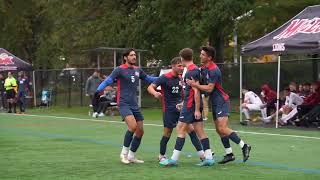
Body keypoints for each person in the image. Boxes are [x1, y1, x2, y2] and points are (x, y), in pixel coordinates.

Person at [186, 46, 251, 164]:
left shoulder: (214, 70)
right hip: (215, 103)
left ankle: (244, 146)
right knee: (219, 129)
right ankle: (229, 154)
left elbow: (210, 88)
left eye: (203, 55)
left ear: (209, 57)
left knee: (222, 128)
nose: (200, 56)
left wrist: (194, 85)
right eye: (200, 54)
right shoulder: (203, 68)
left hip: (222, 101)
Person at [96, 48, 157, 164]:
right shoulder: (119, 70)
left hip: (134, 104)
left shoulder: (137, 70)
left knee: (140, 131)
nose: (134, 57)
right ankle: (123, 154)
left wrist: (165, 78)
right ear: (125, 57)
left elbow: (149, 79)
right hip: (123, 103)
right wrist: (98, 90)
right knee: (133, 127)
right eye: (131, 55)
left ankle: (131, 156)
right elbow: (108, 81)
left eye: (135, 55)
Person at [159, 48, 214, 167]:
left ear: (183, 59)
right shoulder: (195, 70)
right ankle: (209, 158)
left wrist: (195, 109)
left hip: (190, 106)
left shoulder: (191, 72)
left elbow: (196, 91)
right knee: (200, 132)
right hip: (190, 105)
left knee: (180, 129)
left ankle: (173, 159)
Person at [147, 57, 204, 162]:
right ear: (172, 66)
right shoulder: (164, 77)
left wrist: (183, 102)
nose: (181, 68)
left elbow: (183, 93)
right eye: (179, 66)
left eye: (182, 65)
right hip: (168, 110)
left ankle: (202, 155)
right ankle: (161, 155)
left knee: (191, 130)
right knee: (167, 132)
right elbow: (150, 87)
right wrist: (155, 93)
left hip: (181, 110)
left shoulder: (181, 78)